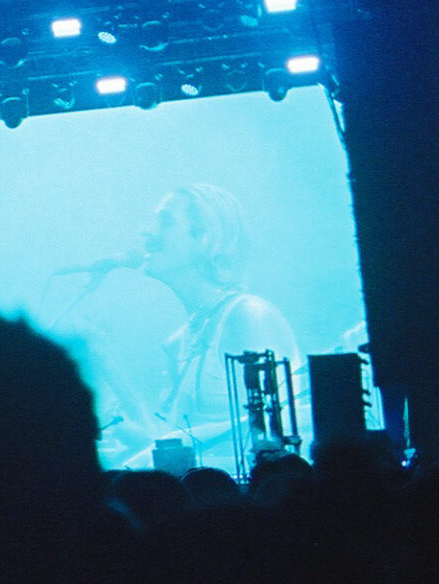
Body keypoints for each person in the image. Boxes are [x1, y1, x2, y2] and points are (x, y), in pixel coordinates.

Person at [118, 184, 302, 472]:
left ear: (205, 238)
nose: (147, 232)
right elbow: (174, 436)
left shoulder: (247, 316)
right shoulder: (184, 336)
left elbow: (276, 431)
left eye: (165, 221)